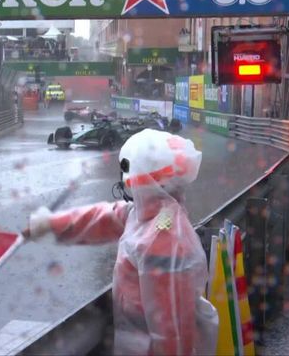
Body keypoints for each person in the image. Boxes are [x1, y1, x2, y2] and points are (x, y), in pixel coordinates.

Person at [24, 129, 218, 355]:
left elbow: (171, 328)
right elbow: (103, 218)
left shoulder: (163, 238)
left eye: (127, 170)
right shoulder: (149, 214)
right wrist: (50, 224)